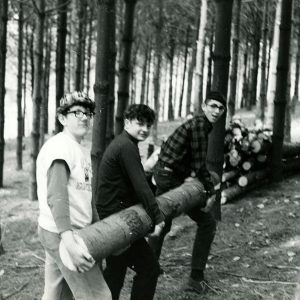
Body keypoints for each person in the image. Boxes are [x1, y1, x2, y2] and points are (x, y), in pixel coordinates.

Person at [148, 91, 226, 294]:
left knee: (166, 224)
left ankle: (155, 269)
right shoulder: (200, 125)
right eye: (213, 106)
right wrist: (210, 190)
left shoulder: (201, 125)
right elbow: (200, 164)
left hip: (171, 175)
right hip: (168, 176)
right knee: (165, 223)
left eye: (220, 108)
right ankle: (188, 277)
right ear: (204, 106)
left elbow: (193, 161)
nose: (216, 111)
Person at [37, 91, 111, 300]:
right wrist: (69, 243)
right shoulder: (60, 147)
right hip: (63, 234)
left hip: (66, 232)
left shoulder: (78, 149)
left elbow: (86, 197)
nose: (84, 117)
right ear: (62, 118)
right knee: (99, 296)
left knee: (57, 295)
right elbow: (56, 196)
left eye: (88, 113)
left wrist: (98, 229)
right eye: (76, 112)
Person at [96, 104, 165, 300]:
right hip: (116, 219)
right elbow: (140, 186)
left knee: (116, 270)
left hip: (112, 215)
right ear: (127, 123)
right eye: (140, 123)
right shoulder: (126, 146)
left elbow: (134, 185)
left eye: (148, 125)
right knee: (149, 269)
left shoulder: (124, 143)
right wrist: (157, 217)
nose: (144, 129)